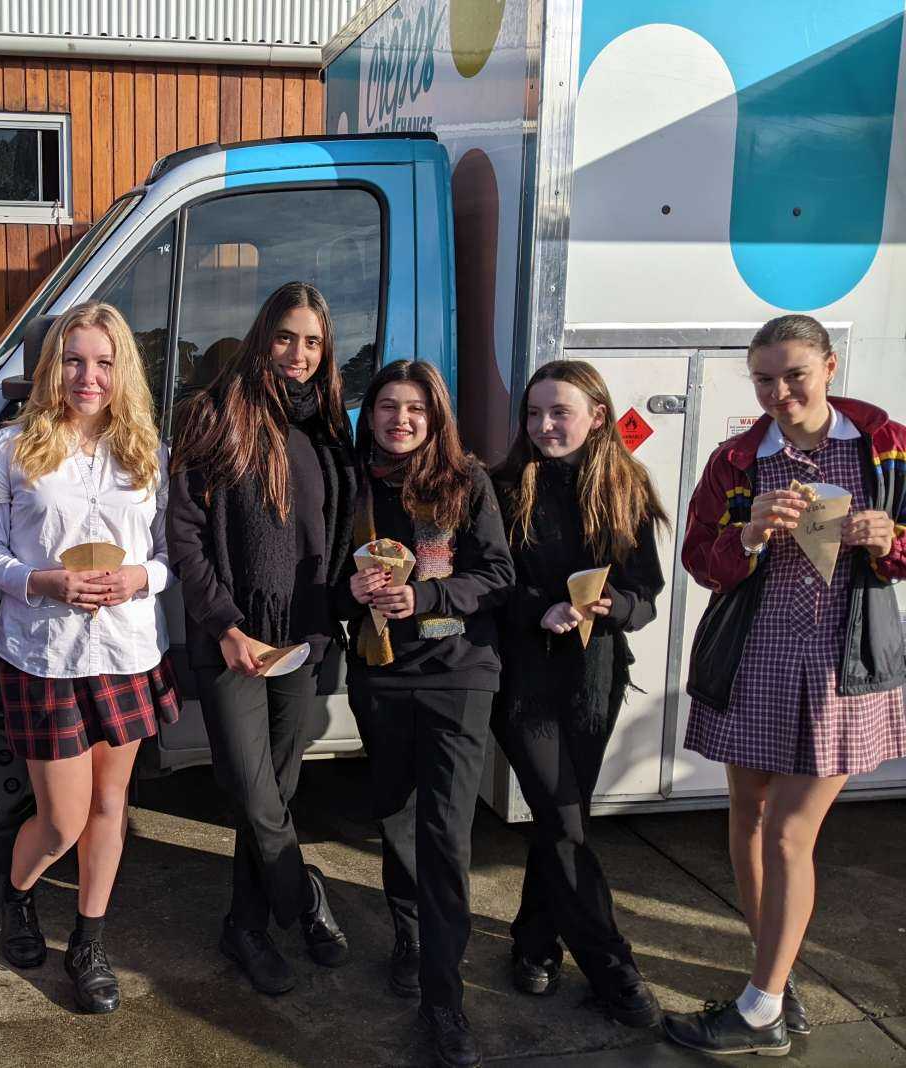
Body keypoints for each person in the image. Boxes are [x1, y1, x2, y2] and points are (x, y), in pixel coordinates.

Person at [664, 315, 906, 1056]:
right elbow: (699, 561)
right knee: (748, 816)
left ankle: (762, 1008)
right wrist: (744, 536)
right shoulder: (738, 460)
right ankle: (774, 971)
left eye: (794, 374)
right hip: (757, 653)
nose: (778, 392)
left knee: (791, 833)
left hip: (842, 660)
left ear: (829, 367)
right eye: (763, 378)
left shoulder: (883, 448)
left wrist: (888, 538)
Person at [0, 301, 178, 1015]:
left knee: (111, 806)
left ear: (123, 372)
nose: (89, 376)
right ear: (53, 364)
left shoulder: (147, 449)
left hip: (124, 649)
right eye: (75, 359)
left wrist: (138, 579)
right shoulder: (11, 447)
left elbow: (166, 556)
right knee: (62, 818)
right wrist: (42, 581)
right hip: (44, 652)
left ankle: (88, 942)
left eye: (104, 362)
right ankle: (18, 895)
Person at [167, 281, 358, 996]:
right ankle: (302, 896)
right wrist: (224, 625)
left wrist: (332, 618)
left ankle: (245, 929)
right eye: (286, 336)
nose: (298, 354)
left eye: (312, 342)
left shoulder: (329, 429)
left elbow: (337, 541)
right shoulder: (214, 415)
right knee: (251, 791)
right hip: (232, 640)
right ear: (262, 336)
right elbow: (184, 536)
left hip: (302, 637)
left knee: (277, 790)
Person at [336, 359, 513, 1068]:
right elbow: (327, 583)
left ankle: (445, 1000)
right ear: (369, 414)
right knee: (396, 817)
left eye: (415, 408)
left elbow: (497, 575)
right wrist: (349, 590)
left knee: (444, 832)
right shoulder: (355, 485)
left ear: (435, 417)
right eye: (386, 406)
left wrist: (431, 599)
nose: (399, 419)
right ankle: (410, 936)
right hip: (381, 677)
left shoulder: (467, 484)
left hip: (457, 678)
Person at [490, 360, 667, 1029]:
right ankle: (614, 970)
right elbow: (490, 580)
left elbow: (646, 595)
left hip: (594, 682)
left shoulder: (626, 488)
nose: (544, 427)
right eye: (534, 414)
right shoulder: (504, 486)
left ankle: (535, 943)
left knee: (560, 820)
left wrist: (609, 607)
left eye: (559, 412)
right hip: (522, 682)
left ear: (597, 414)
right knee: (563, 821)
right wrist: (540, 607)